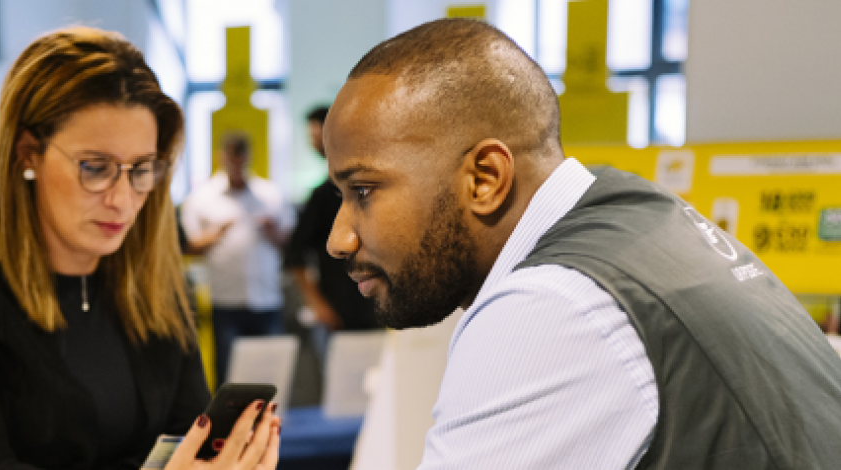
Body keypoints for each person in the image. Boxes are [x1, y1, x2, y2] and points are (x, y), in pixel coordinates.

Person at [323, 18, 841, 469]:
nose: (338, 239)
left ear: (484, 178)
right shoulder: (636, 212)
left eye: (363, 191)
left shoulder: (552, 306)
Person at [0, 27, 279, 469]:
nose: (122, 199)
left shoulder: (158, 286)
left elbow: (188, 442)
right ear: (28, 153)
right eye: (95, 167)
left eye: (141, 169)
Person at [179, 133, 295, 385]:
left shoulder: (270, 194)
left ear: (247, 157)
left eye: (240, 157)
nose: (236, 163)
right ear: (222, 157)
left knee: (271, 371)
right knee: (228, 373)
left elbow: (289, 242)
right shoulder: (202, 197)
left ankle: (271, 411)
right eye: (231, 157)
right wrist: (216, 232)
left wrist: (272, 231)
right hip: (226, 299)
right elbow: (188, 246)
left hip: (266, 298)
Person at [285, 106, 378, 332]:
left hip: (371, 306)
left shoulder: (369, 189)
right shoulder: (322, 195)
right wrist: (317, 303)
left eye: (316, 136)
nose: (313, 143)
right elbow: (295, 256)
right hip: (339, 308)